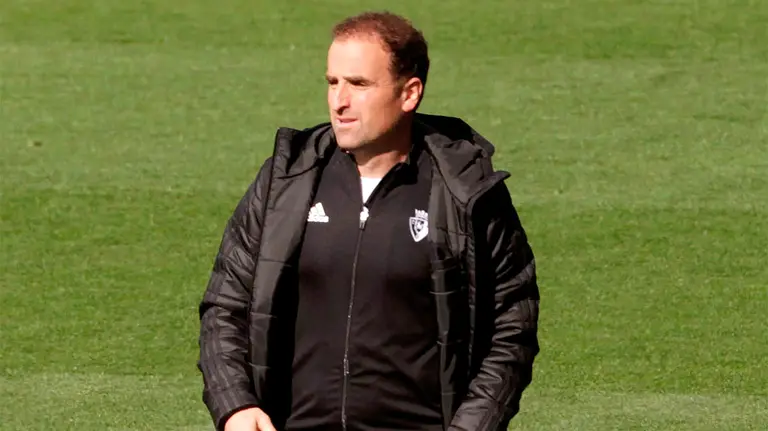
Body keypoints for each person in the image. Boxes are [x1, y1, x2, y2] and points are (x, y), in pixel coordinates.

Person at [197, 10, 540, 431]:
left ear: (409, 93)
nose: (339, 101)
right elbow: (226, 306)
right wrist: (235, 406)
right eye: (332, 82)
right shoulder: (286, 181)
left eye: (358, 84)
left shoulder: (465, 191)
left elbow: (511, 327)